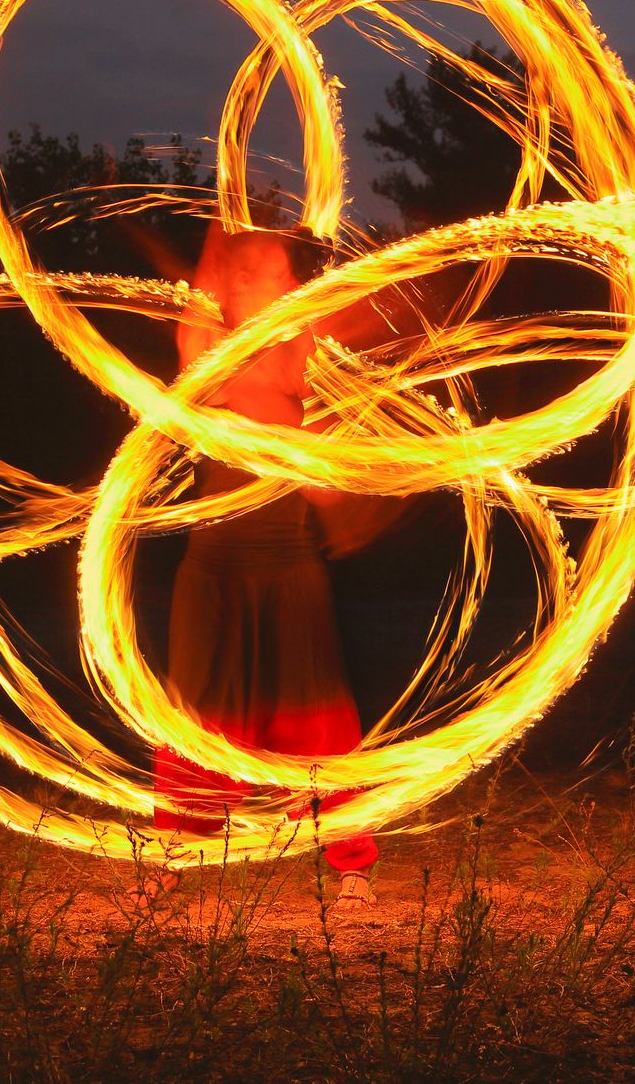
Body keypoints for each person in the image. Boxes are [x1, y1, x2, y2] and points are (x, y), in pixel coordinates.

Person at [136, 226, 378, 911]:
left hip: (287, 566)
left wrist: (326, 487)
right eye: (249, 274)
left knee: (320, 722)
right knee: (193, 721)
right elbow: (201, 300)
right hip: (211, 571)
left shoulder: (300, 350)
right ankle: (175, 858)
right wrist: (219, 218)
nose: (266, 286)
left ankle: (350, 863)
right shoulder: (205, 351)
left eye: (275, 275)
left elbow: (324, 476)